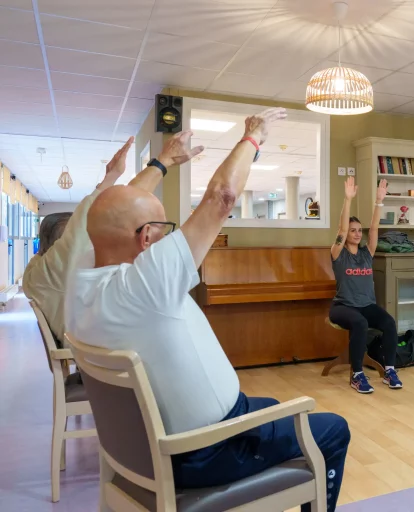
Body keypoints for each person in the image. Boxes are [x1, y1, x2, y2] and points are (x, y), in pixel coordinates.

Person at [65, 108, 350, 511]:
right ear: (147, 238)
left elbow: (110, 210)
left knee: (268, 407)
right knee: (333, 429)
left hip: (146, 449)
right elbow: (222, 197)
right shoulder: (145, 283)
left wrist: (162, 164)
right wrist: (253, 136)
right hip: (207, 448)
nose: (167, 239)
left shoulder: (78, 283)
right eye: (164, 230)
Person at [24, 133, 201, 347]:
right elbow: (115, 211)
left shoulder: (37, 277)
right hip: (101, 354)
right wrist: (161, 163)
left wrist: (112, 178)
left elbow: (117, 211)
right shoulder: (55, 270)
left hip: (89, 347)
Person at [329, 176, 402, 394]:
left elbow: (375, 228)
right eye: (353, 230)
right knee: (360, 323)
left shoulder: (366, 253)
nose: (357, 233)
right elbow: (340, 231)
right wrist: (347, 199)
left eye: (359, 230)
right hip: (343, 307)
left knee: (389, 322)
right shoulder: (338, 254)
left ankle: (389, 370)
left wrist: (379, 202)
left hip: (366, 305)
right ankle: (357, 375)